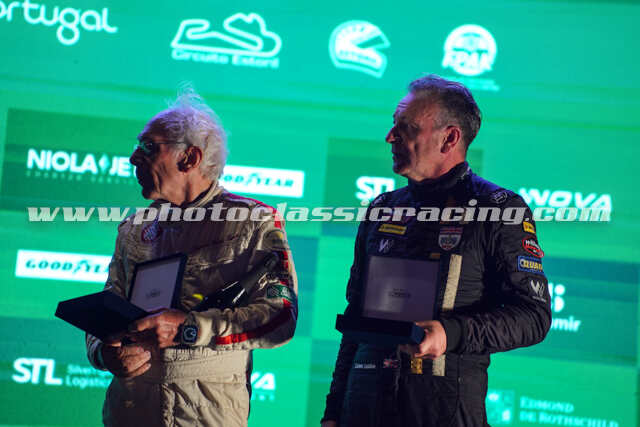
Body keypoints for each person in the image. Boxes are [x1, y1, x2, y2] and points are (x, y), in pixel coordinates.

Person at [321, 75, 551, 427]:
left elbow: (534, 317)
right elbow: (356, 319)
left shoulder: (499, 209)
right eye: (394, 125)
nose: (390, 136)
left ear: (450, 138)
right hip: (362, 407)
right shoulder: (382, 208)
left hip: (443, 411)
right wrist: (334, 411)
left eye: (406, 127)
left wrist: (449, 333)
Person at [85, 88, 298, 427]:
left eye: (148, 147)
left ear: (189, 158)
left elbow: (280, 318)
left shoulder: (254, 221)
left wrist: (188, 329)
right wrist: (103, 352)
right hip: (128, 410)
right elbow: (106, 309)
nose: (133, 158)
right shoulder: (133, 228)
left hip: (205, 413)